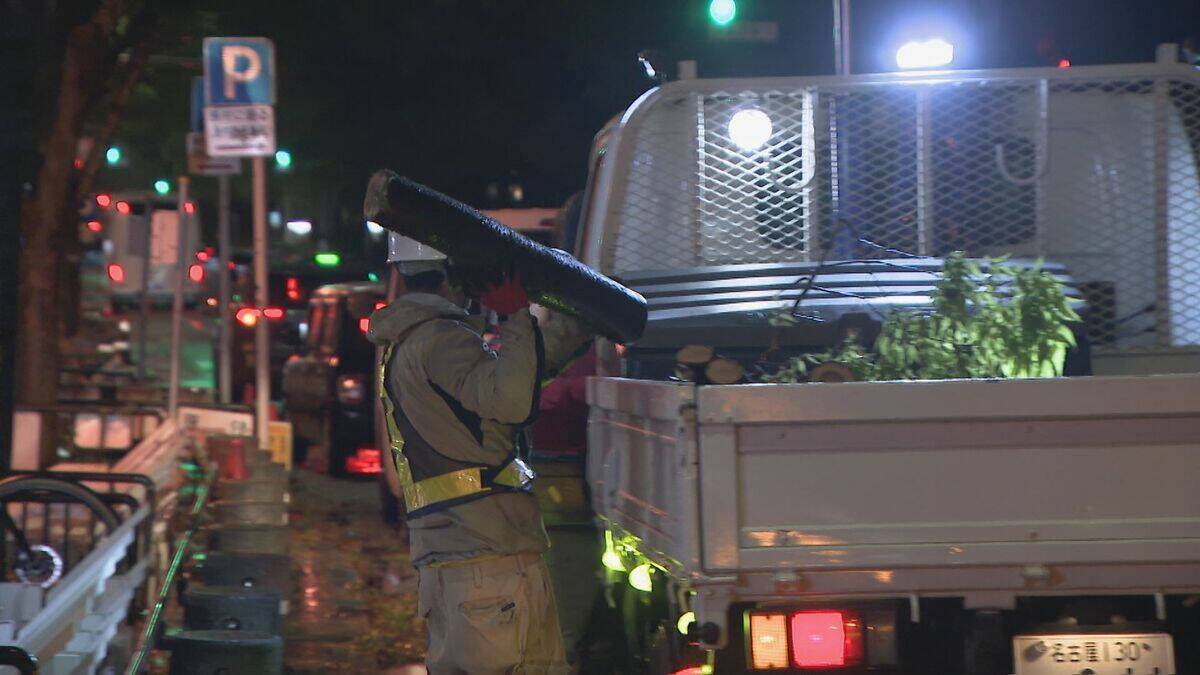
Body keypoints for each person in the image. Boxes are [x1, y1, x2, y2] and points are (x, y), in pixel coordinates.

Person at [368, 233, 592, 674]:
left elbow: (510, 382)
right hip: (489, 561)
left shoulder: (409, 343)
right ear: (454, 275)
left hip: (457, 563)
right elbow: (511, 402)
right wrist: (512, 314)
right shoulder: (443, 340)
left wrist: (572, 324)